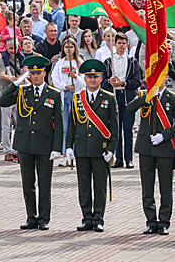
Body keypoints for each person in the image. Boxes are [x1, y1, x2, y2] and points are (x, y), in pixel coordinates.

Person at [0, 56, 63, 230]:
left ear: (44, 73)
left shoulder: (54, 94)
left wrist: (58, 147)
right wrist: (17, 82)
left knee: (44, 183)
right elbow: (3, 101)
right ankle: (31, 217)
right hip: (25, 143)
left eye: (39, 73)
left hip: (44, 144)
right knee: (28, 183)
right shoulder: (22, 91)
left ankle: (43, 218)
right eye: (32, 73)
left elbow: (58, 123)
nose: (36, 76)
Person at [66, 59, 119, 233]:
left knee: (100, 186)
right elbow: (72, 125)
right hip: (82, 148)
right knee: (84, 186)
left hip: (100, 149)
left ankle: (98, 219)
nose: (92, 80)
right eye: (89, 77)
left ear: (101, 77)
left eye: (95, 77)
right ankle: (86, 218)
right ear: (85, 78)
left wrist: (111, 150)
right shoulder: (77, 98)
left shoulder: (109, 98)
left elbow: (114, 128)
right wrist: (69, 147)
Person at [127, 63, 175, 236]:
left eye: (161, 75)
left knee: (165, 187)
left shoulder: (172, 97)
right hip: (146, 147)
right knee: (147, 187)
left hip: (165, 148)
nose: (157, 79)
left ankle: (163, 222)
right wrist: (147, 96)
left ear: (167, 77)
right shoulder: (145, 95)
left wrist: (165, 135)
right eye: (154, 75)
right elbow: (130, 108)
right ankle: (151, 221)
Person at [102, 33, 140, 169]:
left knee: (128, 129)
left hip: (127, 98)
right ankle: (118, 158)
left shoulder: (132, 61)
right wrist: (109, 82)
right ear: (115, 44)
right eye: (119, 43)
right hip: (113, 97)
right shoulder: (108, 61)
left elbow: (137, 82)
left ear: (127, 45)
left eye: (124, 43)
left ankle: (129, 158)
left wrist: (123, 83)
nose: (121, 46)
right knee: (115, 130)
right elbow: (103, 81)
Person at [51, 38, 85, 167]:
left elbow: (83, 82)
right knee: (65, 126)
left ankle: (75, 153)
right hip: (63, 95)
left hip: (75, 96)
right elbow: (55, 78)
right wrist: (65, 86)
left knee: (74, 125)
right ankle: (65, 154)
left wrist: (76, 78)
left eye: (71, 47)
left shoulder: (79, 62)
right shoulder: (60, 63)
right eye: (66, 47)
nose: (68, 49)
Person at [0, 39, 21, 162]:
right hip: (6, 96)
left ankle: (17, 149)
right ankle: (7, 150)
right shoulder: (2, 59)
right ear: (6, 48)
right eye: (11, 48)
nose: (13, 51)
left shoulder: (20, 59)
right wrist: (10, 78)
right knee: (6, 125)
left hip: (19, 96)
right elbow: (2, 75)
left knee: (19, 124)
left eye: (15, 48)